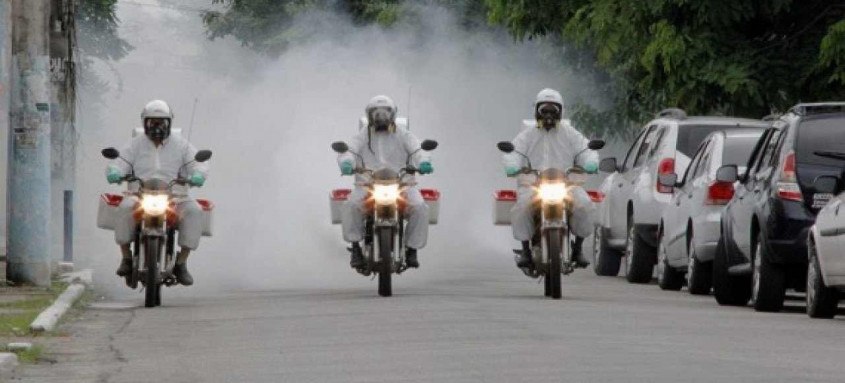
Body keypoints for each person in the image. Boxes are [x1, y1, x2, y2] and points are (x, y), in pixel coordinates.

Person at [106, 100, 209, 286]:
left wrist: (198, 175)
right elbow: (119, 161)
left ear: (169, 123)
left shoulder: (182, 145)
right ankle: (126, 258)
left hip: (176, 196)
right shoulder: (135, 144)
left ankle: (181, 263)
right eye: (152, 122)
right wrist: (114, 172)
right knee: (123, 209)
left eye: (161, 122)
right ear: (145, 123)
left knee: (194, 211)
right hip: (139, 194)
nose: (157, 126)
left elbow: (198, 163)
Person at [503, 89, 599, 268]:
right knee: (521, 208)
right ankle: (525, 250)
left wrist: (591, 162)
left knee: (585, 205)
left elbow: (586, 149)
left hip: (567, 184)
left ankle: (578, 248)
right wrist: (512, 164)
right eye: (544, 110)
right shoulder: (528, 134)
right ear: (536, 111)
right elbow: (514, 151)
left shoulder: (570, 133)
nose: (548, 115)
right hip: (533, 185)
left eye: (552, 110)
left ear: (560, 112)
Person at [337, 95, 433, 269]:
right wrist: (346, 163)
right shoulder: (362, 135)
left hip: (403, 183)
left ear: (393, 114)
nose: (381, 116)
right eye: (376, 112)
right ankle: (355, 247)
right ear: (369, 114)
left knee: (420, 207)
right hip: (367, 185)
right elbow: (349, 150)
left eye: (385, 112)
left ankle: (412, 249)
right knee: (350, 205)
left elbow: (418, 149)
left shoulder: (404, 134)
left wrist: (424, 162)